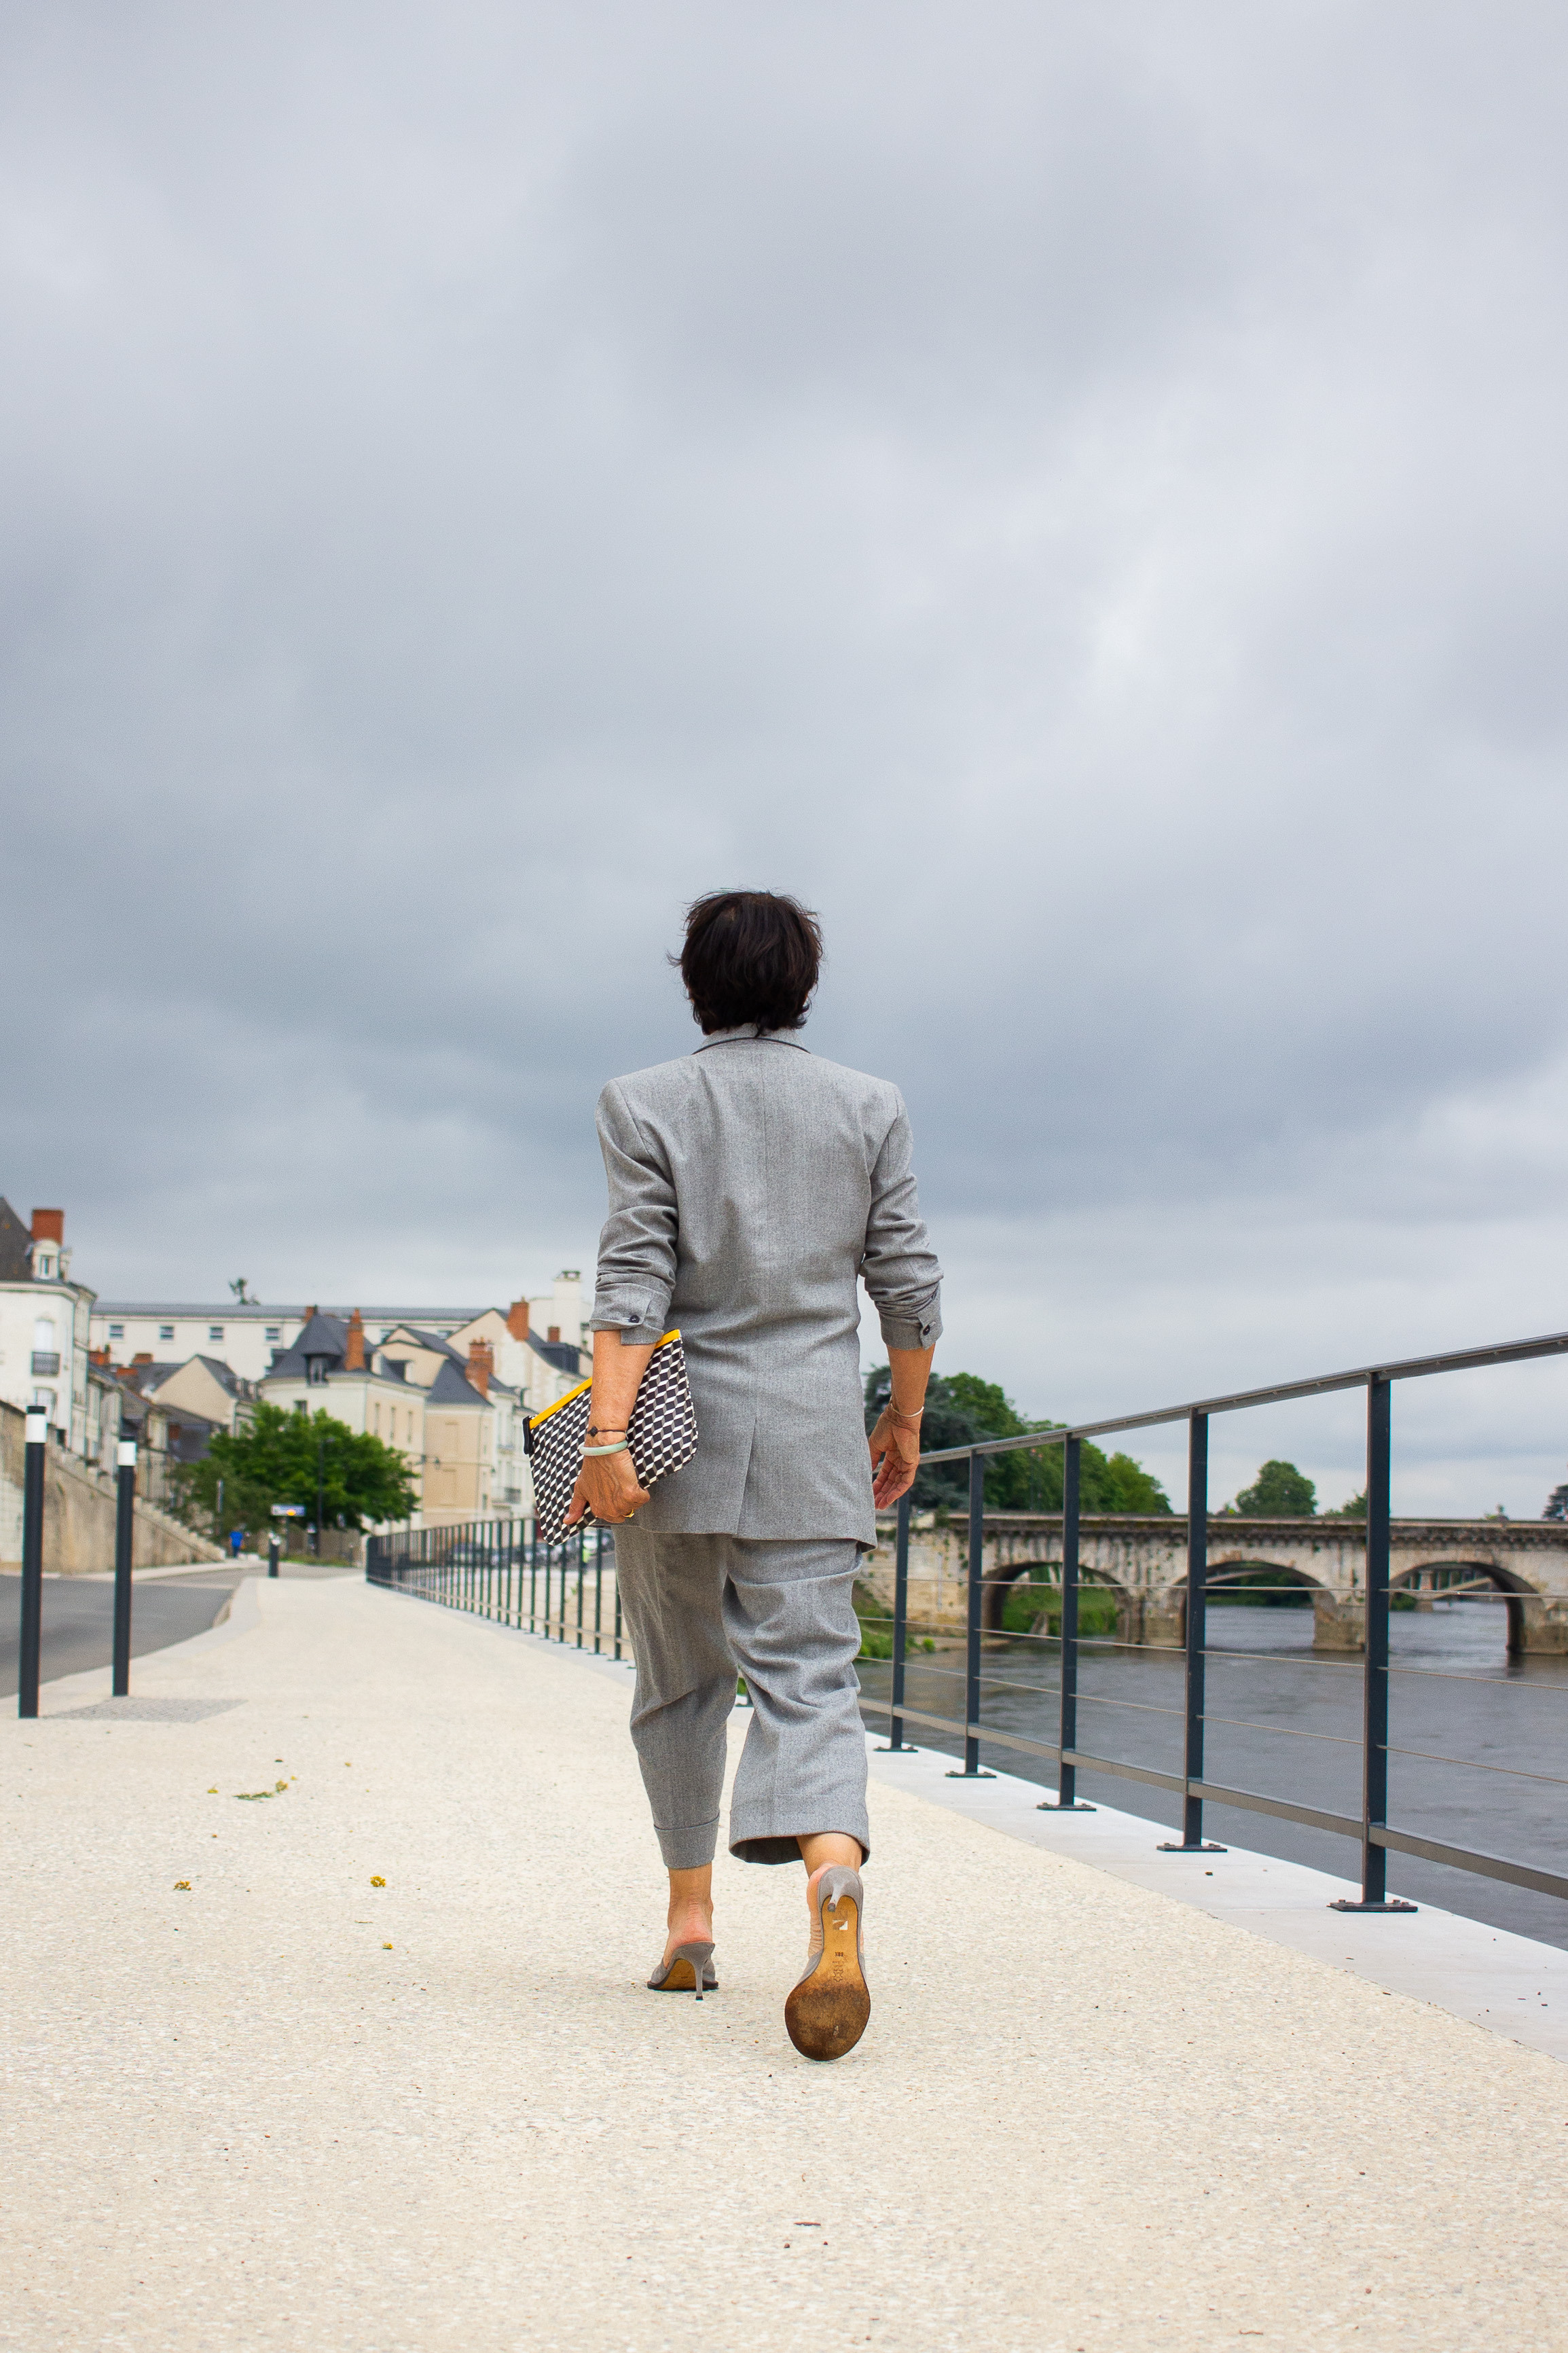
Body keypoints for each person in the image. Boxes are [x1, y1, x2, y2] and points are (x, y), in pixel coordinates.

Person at [566, 888, 941, 2060]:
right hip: (814, 1442)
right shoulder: (867, 1106)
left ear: (696, 984)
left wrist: (605, 1441)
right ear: (803, 985)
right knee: (811, 1680)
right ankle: (831, 1872)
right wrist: (905, 1419)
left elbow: (632, 1285)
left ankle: (689, 1925)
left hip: (674, 1443)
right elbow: (909, 1283)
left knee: (679, 1684)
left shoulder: (644, 1102)